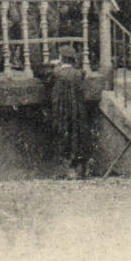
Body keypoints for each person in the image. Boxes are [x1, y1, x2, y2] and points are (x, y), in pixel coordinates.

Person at [47, 48, 91, 178]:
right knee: (78, 137)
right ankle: (80, 169)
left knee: (63, 136)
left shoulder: (57, 73)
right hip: (77, 111)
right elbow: (83, 74)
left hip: (62, 111)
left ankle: (67, 170)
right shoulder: (78, 74)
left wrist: (55, 66)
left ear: (61, 58)